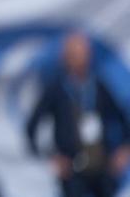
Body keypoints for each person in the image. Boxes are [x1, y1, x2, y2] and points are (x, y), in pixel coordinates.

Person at [26, 32, 130, 197]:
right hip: (72, 170)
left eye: (84, 54)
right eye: (75, 55)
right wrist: (51, 157)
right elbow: (32, 127)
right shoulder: (57, 89)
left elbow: (122, 117)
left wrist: (124, 149)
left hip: (101, 167)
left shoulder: (98, 86)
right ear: (65, 58)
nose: (81, 60)